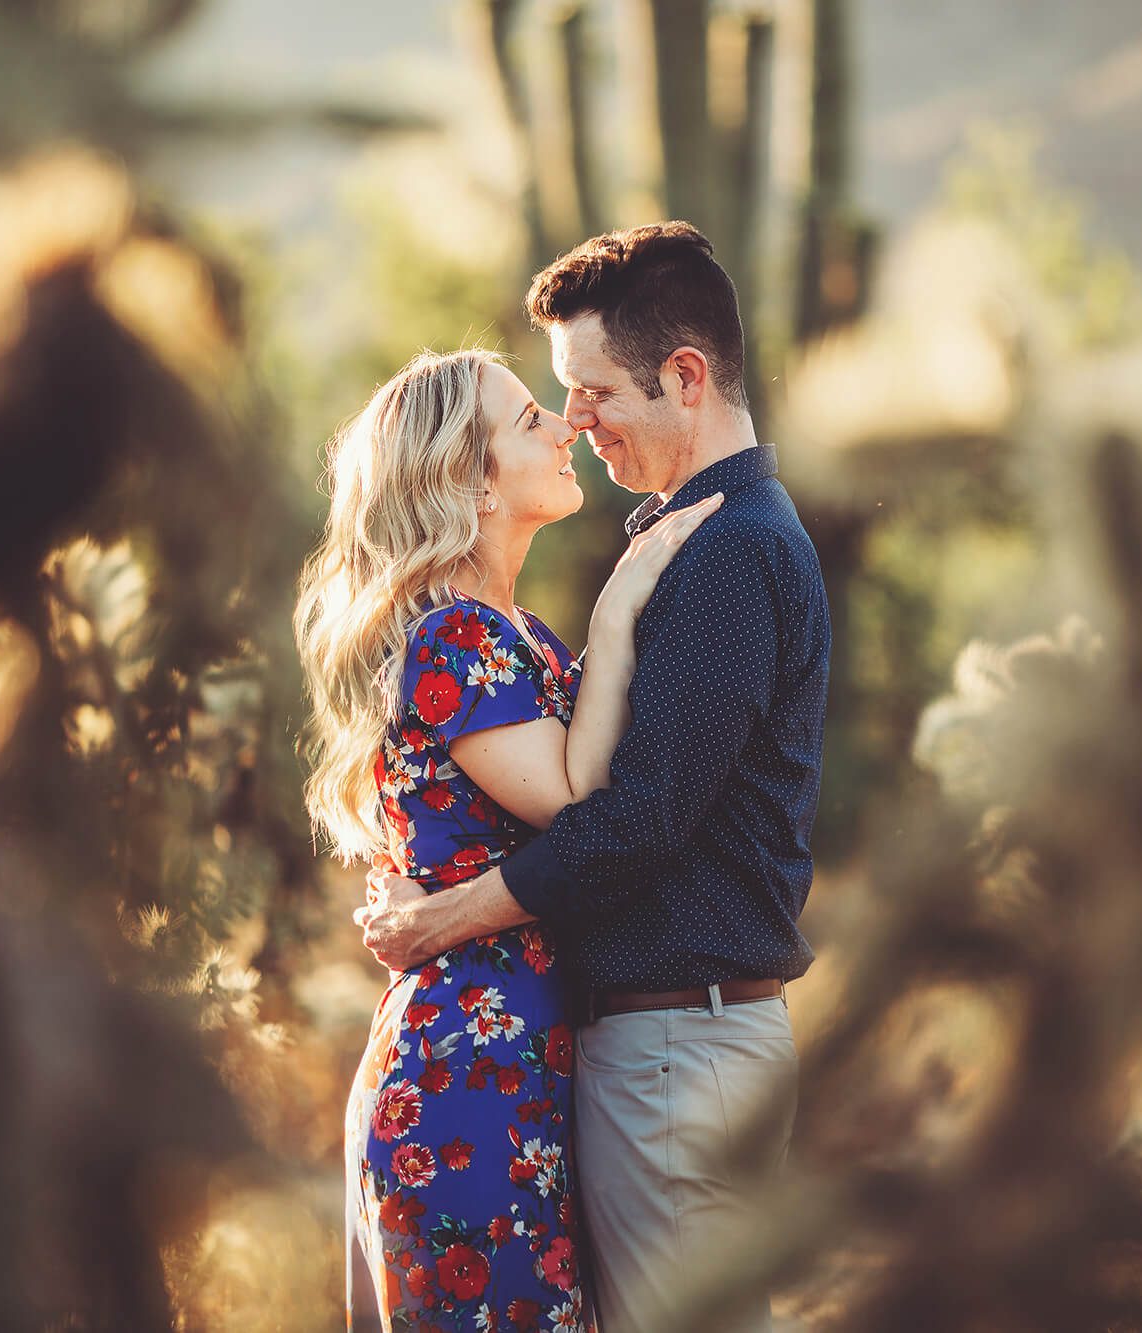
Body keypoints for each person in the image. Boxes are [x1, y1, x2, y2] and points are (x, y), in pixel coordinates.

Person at [356, 222, 831, 1332]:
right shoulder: (699, 539)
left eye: (590, 390)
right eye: (553, 400)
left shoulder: (727, 552)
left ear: (684, 377)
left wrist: (444, 918)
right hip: (652, 1049)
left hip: (676, 1049)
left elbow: (632, 822)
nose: (575, 420)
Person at [295, 347, 722, 1332]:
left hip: (512, 1062)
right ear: (468, 476)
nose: (565, 424)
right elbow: (580, 798)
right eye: (531, 418)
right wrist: (620, 603)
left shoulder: (507, 632)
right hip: (468, 1082)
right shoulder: (459, 637)